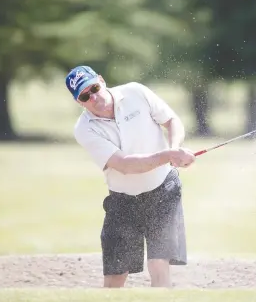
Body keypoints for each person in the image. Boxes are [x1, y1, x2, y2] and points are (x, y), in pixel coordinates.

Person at [65, 65, 196, 288]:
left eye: (94, 88)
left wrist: (175, 149)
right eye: (86, 96)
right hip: (123, 201)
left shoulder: (136, 92)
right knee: (116, 276)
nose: (94, 97)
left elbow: (172, 120)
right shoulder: (84, 129)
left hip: (163, 189)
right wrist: (169, 155)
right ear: (80, 102)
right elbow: (125, 165)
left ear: (102, 80)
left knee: (159, 264)